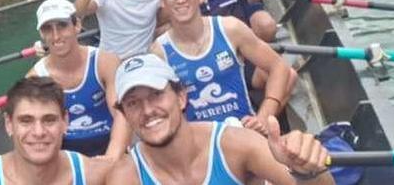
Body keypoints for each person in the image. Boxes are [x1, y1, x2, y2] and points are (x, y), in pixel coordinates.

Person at [106, 54, 335, 185]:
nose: (147, 110)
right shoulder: (125, 177)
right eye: (133, 103)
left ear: (181, 97)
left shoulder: (234, 144)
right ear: (125, 115)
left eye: (156, 95)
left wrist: (308, 172)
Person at [150, 0, 294, 134]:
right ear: (162, 0)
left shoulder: (230, 28)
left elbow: (279, 66)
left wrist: (264, 116)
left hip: (245, 133)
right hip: (199, 145)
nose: (181, 0)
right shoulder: (159, 52)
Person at [0, 77, 110, 185]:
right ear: (9, 124)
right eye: (26, 121)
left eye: (49, 120)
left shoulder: (97, 176)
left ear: (65, 122)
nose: (38, 132)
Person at [27, 0, 131, 159]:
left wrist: (110, 160)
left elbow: (121, 115)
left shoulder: (105, 62)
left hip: (110, 143)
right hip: (65, 154)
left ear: (77, 26)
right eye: (48, 29)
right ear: (41, 34)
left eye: (62, 25)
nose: (56, 36)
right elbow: (37, 134)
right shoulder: (35, 77)